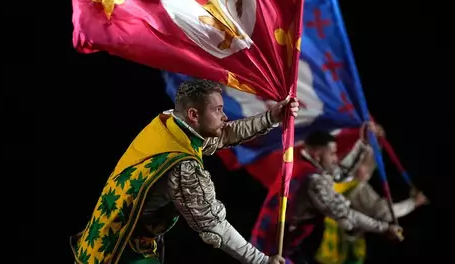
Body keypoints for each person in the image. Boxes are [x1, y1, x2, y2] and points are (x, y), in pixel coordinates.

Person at [70, 79, 299, 264]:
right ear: (194, 115)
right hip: (121, 252)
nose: (224, 116)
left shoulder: (169, 123)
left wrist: (271, 117)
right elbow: (213, 226)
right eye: (218, 110)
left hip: (99, 237)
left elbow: (224, 134)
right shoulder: (183, 167)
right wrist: (262, 261)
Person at [250, 129, 402, 264]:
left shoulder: (301, 166)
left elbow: (340, 172)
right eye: (332, 153)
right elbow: (346, 215)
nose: (335, 158)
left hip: (272, 247)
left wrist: (362, 143)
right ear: (317, 154)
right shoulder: (313, 181)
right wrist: (385, 228)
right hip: (271, 254)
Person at [315, 123, 429, 264]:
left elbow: (382, 212)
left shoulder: (352, 188)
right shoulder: (347, 180)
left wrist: (413, 203)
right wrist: (413, 203)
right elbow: (383, 212)